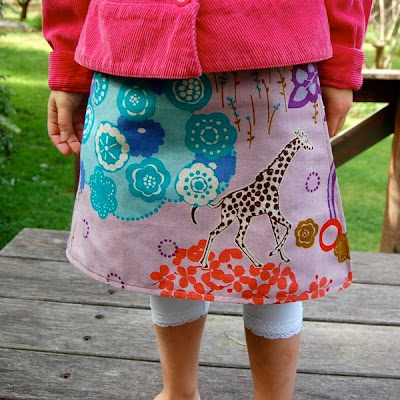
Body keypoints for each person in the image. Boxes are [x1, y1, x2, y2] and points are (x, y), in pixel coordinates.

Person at [42, 1, 373, 399]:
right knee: (166, 251)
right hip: (135, 56)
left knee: (275, 263)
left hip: (276, 58)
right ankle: (178, 392)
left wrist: (342, 59)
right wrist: (67, 60)